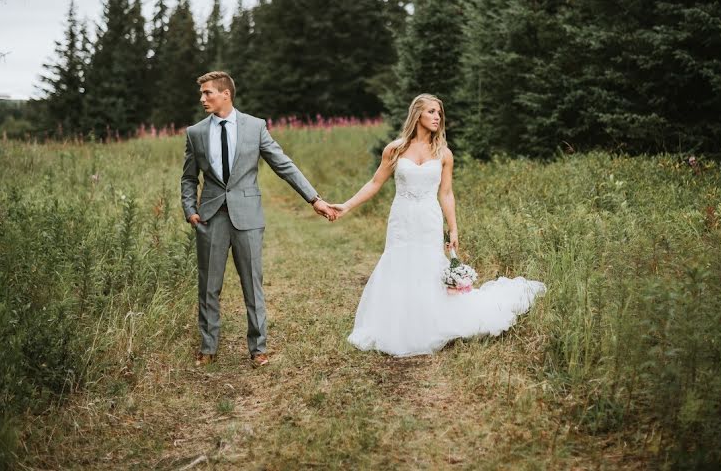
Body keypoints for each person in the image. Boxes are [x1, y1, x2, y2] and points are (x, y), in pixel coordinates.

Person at [332, 94, 546, 357]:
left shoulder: (444, 154)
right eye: (432, 112)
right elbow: (375, 183)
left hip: (428, 219)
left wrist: (453, 228)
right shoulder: (396, 149)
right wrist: (346, 205)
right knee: (398, 264)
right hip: (401, 219)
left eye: (439, 113)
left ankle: (429, 324)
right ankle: (396, 325)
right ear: (417, 115)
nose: (437, 117)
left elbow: (446, 193)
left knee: (428, 267)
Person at [180, 71, 336, 367]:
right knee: (209, 286)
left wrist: (314, 198)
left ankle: (258, 348)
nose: (202, 99)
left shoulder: (255, 127)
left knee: (253, 283)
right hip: (210, 218)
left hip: (248, 217)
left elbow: (283, 165)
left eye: (208, 93)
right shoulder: (195, 132)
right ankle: (208, 347)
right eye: (201, 94)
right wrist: (190, 210)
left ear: (226, 94)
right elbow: (188, 178)